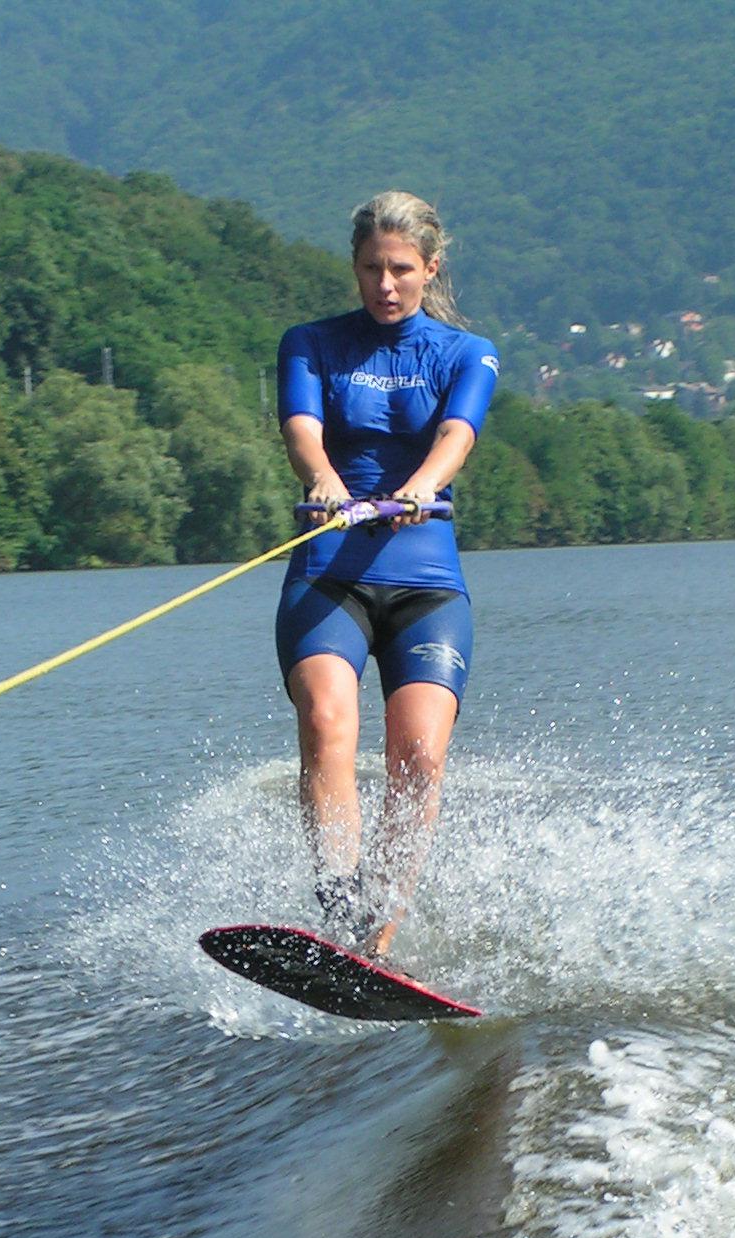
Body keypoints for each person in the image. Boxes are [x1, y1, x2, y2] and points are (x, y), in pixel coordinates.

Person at [274, 190, 499, 959]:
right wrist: (324, 477)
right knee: (328, 722)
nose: (386, 284)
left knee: (419, 755)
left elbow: (457, 432)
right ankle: (340, 905)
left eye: (402, 269)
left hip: (425, 581)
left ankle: (379, 941)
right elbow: (302, 427)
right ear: (355, 268)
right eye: (372, 268)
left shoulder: (467, 353)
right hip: (330, 570)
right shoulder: (310, 343)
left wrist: (425, 486)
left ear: (430, 268)